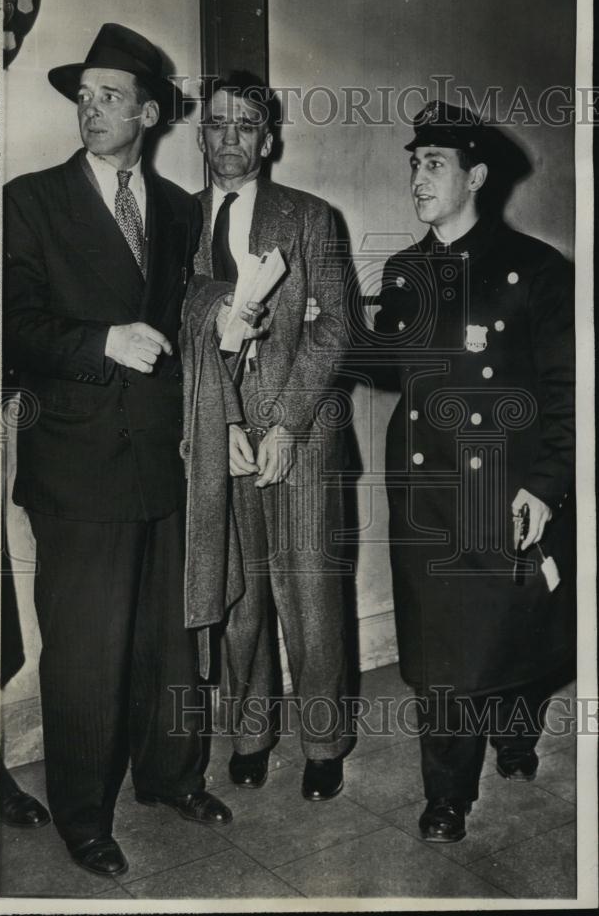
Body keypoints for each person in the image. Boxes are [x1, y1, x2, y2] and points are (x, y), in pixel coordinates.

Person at [4, 23, 232, 877]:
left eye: (107, 96)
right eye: (82, 96)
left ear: (146, 112)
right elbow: (10, 327)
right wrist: (101, 341)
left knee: (168, 641)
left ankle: (170, 776)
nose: (88, 109)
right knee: (87, 653)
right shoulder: (29, 201)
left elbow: (187, 328)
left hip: (164, 463)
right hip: (76, 467)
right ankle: (82, 815)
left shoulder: (177, 210)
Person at [372, 100, 575, 842]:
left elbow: (566, 392)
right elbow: (386, 363)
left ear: (475, 176)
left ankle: (516, 732)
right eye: (413, 164)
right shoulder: (403, 270)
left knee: (515, 631)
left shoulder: (537, 270)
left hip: (506, 486)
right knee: (440, 650)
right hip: (427, 494)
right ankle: (447, 794)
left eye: (433, 165)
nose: (416, 178)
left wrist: (547, 485)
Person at [181, 73, 352, 801]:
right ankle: (250, 734)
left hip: (300, 434)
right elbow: (179, 332)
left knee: (309, 595)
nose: (229, 138)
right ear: (200, 135)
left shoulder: (311, 218)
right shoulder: (175, 221)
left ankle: (323, 741)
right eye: (217, 123)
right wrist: (220, 426)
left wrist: (285, 422)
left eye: (245, 124)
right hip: (219, 435)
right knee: (239, 597)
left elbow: (335, 326)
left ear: (268, 138)